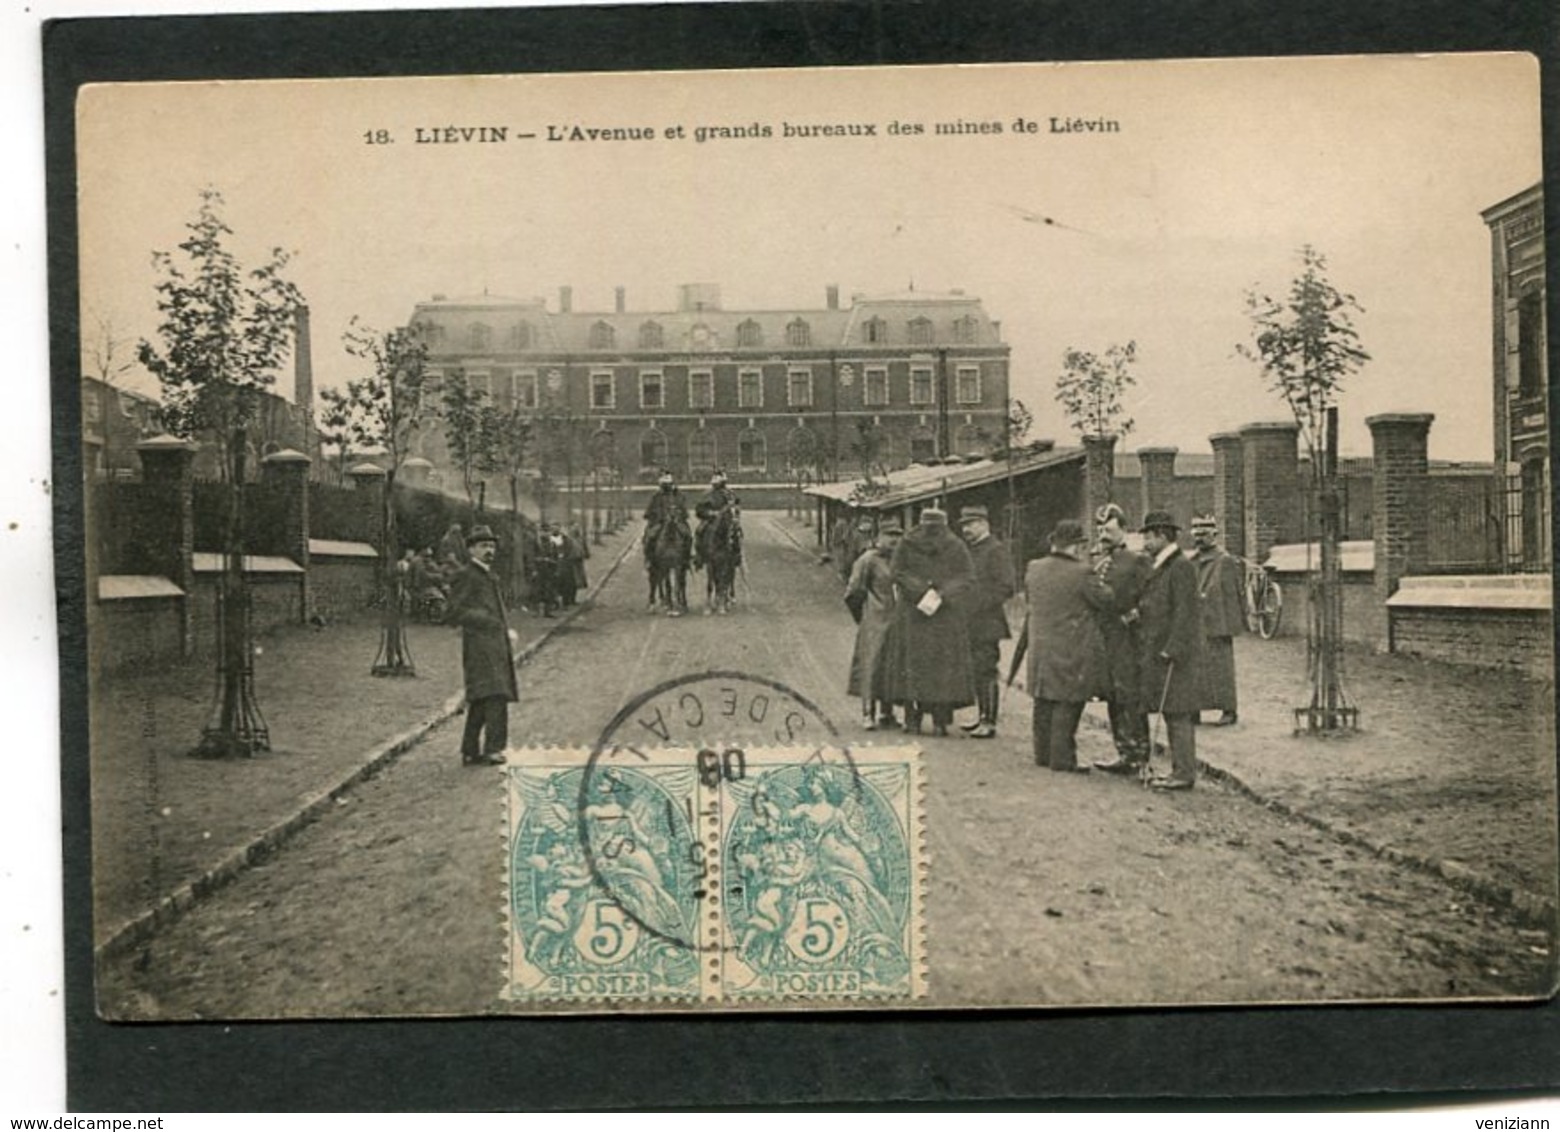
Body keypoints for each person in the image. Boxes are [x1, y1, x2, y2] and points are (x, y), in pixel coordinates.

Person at [1024, 518, 1114, 773]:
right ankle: (1062, 759)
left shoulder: (1034, 567)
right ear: (1076, 546)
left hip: (1040, 647)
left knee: (1043, 700)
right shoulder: (1082, 572)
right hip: (1071, 648)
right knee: (1068, 701)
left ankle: (1042, 754)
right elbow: (1104, 600)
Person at [888, 506, 975, 736]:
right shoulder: (955, 545)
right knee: (941, 669)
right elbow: (966, 576)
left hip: (913, 613)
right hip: (943, 616)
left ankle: (912, 719)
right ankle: (939, 720)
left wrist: (920, 592)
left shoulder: (906, 543)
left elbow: (897, 572)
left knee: (912, 667)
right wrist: (941, 594)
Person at [1137, 510, 1204, 790]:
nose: (1145, 543)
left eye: (1149, 537)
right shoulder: (1163, 565)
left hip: (1175, 655)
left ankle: (1184, 773)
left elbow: (1185, 614)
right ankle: (1180, 770)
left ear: (1163, 536)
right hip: (1160, 649)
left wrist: (1173, 649)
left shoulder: (1180, 567)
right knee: (1171, 711)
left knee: (1178, 712)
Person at [448, 524, 518, 766]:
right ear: (470, 550)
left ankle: (469, 750)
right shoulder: (466, 574)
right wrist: (489, 622)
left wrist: (502, 630)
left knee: (481, 696)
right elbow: (456, 611)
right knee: (496, 694)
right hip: (479, 644)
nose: (489, 550)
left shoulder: (488, 575)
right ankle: (493, 749)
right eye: (482, 546)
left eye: (491, 545)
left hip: (493, 643)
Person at [1091, 503, 1153, 774]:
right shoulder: (1097, 561)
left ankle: (1139, 753)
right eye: (1100, 529)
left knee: (1130, 695)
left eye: (1109, 530)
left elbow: (1150, 597)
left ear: (1123, 530)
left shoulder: (1137, 560)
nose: (1103, 535)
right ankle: (1123, 751)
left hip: (1128, 639)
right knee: (1112, 694)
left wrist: (1133, 616)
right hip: (1104, 638)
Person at [958, 504, 1016, 739]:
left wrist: (980, 604)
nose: (966, 530)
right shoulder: (972, 550)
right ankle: (981, 716)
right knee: (977, 671)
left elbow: (1006, 586)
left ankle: (989, 721)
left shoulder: (995, 550)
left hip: (987, 622)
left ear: (984, 524)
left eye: (970, 524)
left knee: (987, 671)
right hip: (971, 622)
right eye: (964, 525)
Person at [845, 520, 904, 731]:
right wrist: (863, 617)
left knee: (891, 666)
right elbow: (853, 592)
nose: (894, 541)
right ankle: (867, 713)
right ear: (878, 537)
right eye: (889, 536)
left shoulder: (902, 560)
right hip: (875, 621)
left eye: (898, 536)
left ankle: (887, 713)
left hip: (897, 621)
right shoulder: (868, 560)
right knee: (871, 665)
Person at [1189, 512, 1242, 726]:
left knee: (1221, 668)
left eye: (1204, 533)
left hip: (1217, 622)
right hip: (1196, 623)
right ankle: (1196, 709)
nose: (1199, 538)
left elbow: (1230, 594)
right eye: (1196, 533)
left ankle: (1228, 710)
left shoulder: (1224, 560)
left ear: (1214, 534)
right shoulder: (1192, 560)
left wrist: (1226, 624)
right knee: (1196, 668)